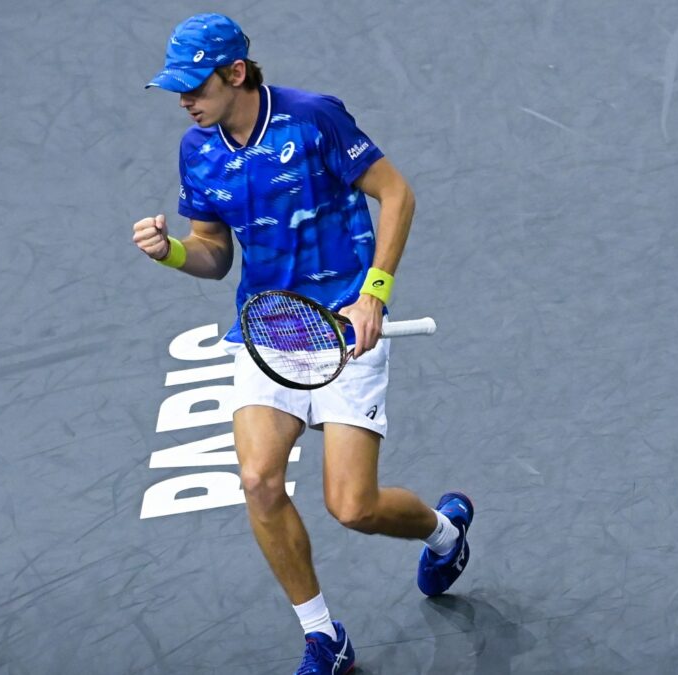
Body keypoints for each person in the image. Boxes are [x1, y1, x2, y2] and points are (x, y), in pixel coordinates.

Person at [132, 14, 473, 675]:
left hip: (346, 329)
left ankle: (445, 530)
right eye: (177, 90)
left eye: (193, 86)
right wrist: (171, 251)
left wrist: (374, 291)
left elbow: (396, 194)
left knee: (354, 506)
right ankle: (325, 637)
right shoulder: (197, 150)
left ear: (235, 74)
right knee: (259, 480)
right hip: (271, 330)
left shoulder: (314, 120)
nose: (184, 101)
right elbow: (213, 254)